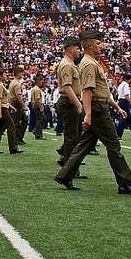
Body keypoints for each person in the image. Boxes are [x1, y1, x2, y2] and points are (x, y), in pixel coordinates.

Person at [54, 29, 131, 195]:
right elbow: (87, 91)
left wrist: (116, 106)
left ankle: (64, 175)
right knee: (113, 145)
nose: (101, 46)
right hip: (97, 109)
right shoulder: (89, 64)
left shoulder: (92, 62)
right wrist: (87, 114)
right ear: (89, 46)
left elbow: (100, 90)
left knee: (84, 145)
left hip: (98, 106)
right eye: (98, 43)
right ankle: (126, 183)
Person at [54, 38, 82, 169]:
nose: (79, 51)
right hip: (69, 102)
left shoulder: (70, 63)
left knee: (74, 135)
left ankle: (65, 158)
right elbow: (67, 87)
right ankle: (69, 168)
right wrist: (78, 104)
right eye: (77, 48)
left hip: (70, 101)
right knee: (72, 137)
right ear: (70, 49)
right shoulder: (67, 65)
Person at [0, 66, 22, 155]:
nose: (6, 76)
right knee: (11, 126)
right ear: (0, 76)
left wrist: (10, 106)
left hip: (0, 107)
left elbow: (3, 99)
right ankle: (13, 148)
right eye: (4, 74)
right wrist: (0, 112)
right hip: (1, 108)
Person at [115, 73, 131, 140]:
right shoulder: (125, 85)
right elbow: (126, 96)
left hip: (121, 101)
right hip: (124, 102)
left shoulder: (121, 85)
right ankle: (119, 135)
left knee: (128, 120)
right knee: (124, 119)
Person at [30, 75, 46, 140]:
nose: (43, 82)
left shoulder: (33, 89)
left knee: (39, 119)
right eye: (42, 80)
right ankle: (37, 132)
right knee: (40, 119)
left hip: (34, 106)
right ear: (38, 81)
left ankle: (38, 133)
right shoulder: (37, 89)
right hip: (37, 106)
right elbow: (37, 99)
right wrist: (41, 107)